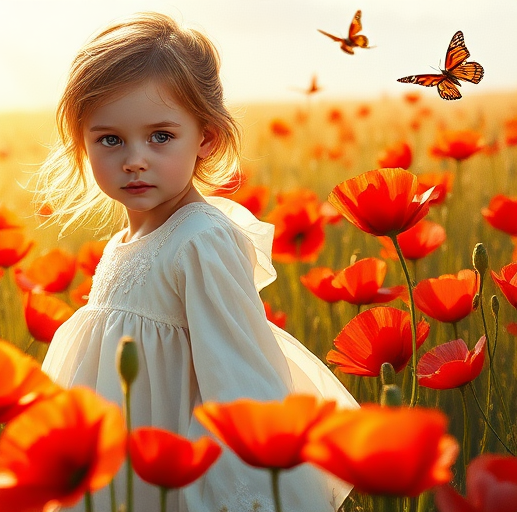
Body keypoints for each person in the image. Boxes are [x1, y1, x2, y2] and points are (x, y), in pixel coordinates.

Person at [38, 12, 358, 512]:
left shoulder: (201, 241)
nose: (134, 159)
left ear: (206, 137)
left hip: (171, 475)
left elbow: (242, 382)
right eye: (110, 139)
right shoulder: (126, 240)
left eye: (160, 136)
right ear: (83, 143)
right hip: (114, 465)